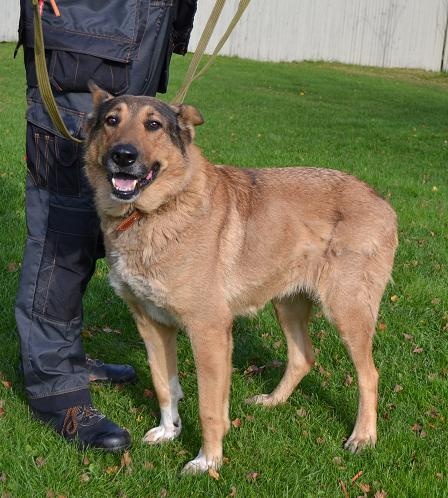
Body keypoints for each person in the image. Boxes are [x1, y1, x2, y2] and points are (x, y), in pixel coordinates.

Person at [15, 0, 197, 452]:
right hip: (83, 39)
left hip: (140, 42)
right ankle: (57, 388)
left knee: (104, 227)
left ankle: (68, 357)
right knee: (61, 234)